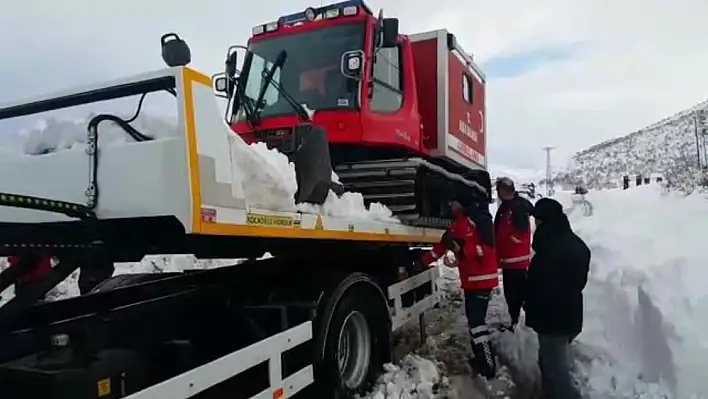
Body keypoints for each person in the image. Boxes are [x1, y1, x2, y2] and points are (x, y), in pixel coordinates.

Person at [420, 194, 499, 378]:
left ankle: (488, 365)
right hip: (470, 281)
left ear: (462, 202)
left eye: (453, 201)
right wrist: (422, 262)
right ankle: (480, 359)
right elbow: (440, 248)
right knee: (473, 322)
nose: (449, 204)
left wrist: (461, 250)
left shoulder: (479, 219)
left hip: (482, 280)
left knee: (478, 324)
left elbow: (486, 249)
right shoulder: (456, 224)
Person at [523, 198, 590, 399]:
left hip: (552, 320)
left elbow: (539, 287)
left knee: (556, 374)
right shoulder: (577, 245)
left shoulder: (548, 250)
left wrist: (530, 302)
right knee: (550, 364)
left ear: (544, 221)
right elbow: (579, 282)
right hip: (569, 316)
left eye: (537, 220)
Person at [493, 177, 533, 329]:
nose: (497, 194)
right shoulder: (506, 206)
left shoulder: (518, 206)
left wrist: (511, 239)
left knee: (516, 294)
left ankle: (520, 323)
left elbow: (521, 231)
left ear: (503, 190)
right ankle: (516, 321)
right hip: (508, 260)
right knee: (512, 294)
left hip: (515, 260)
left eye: (498, 190)